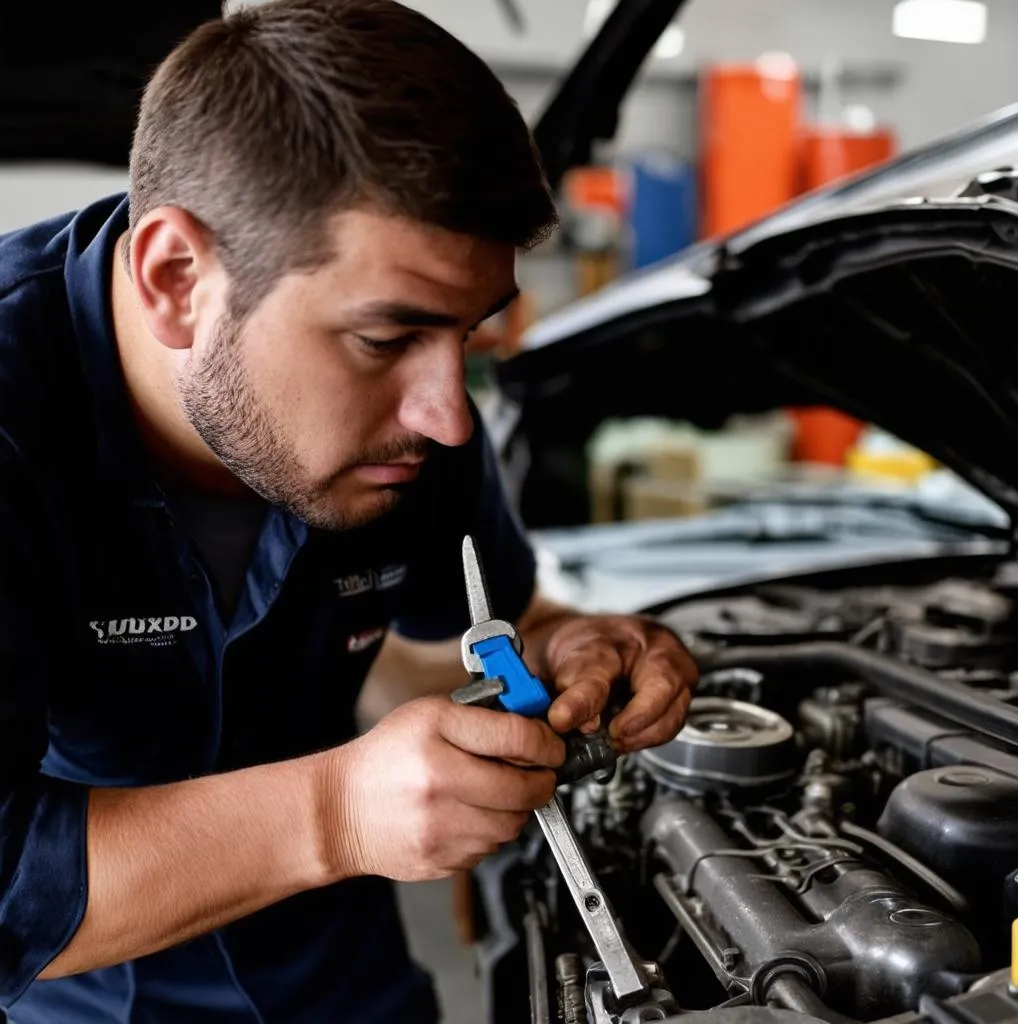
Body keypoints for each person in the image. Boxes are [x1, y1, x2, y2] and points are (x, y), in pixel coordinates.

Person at [0, 0, 698, 1021]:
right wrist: (332, 812)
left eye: (467, 334)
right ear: (177, 278)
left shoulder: (412, 423)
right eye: (385, 339)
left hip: (344, 986)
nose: (451, 416)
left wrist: (561, 648)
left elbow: (454, 642)